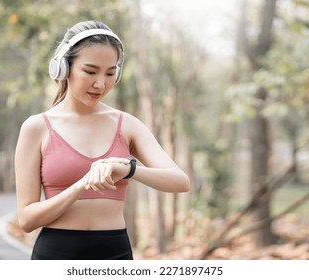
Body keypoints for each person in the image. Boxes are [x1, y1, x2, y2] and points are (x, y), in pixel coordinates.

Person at [14, 20, 190, 260]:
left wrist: (128, 170)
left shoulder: (126, 124)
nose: (100, 83)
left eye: (110, 73)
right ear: (64, 68)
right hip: (55, 254)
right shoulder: (36, 128)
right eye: (90, 71)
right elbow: (26, 219)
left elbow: (180, 181)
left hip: (115, 253)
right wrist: (80, 185)